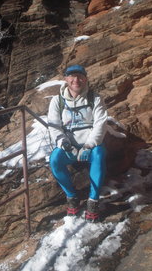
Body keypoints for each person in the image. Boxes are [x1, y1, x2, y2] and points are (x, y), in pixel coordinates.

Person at [48, 65, 108, 222]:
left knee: (99, 155)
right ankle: (72, 197)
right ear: (66, 79)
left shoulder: (95, 98)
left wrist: (89, 146)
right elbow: (54, 126)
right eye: (72, 76)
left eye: (80, 76)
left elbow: (100, 124)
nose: (76, 80)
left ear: (86, 79)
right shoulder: (57, 101)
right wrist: (65, 145)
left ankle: (93, 201)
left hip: (90, 145)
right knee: (55, 159)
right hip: (69, 146)